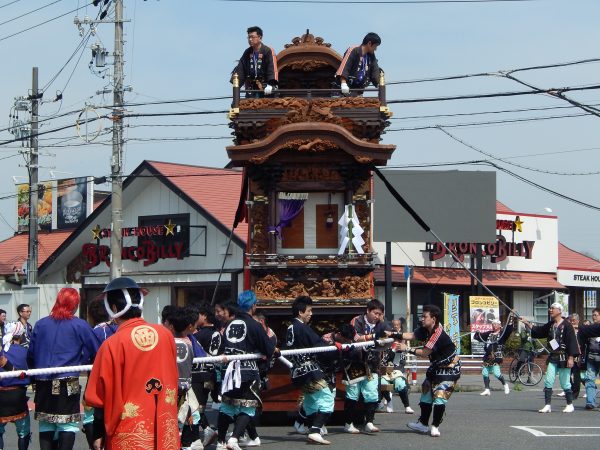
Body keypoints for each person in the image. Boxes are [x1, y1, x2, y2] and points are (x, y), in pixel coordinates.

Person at [84, 277, 180, 450]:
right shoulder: (166, 335)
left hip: (130, 432)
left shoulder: (112, 344)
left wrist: (98, 433)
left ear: (113, 308)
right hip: (164, 429)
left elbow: (99, 397)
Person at [28, 288, 100, 450]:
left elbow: (31, 355)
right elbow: (98, 351)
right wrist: (83, 361)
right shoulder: (80, 325)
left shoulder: (41, 324)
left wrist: (33, 380)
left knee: (47, 424)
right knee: (67, 424)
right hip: (68, 382)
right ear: (74, 305)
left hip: (43, 381)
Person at [215, 294, 275, 450]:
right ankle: (234, 439)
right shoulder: (253, 324)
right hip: (247, 370)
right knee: (248, 406)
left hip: (229, 371)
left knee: (227, 405)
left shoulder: (229, 324)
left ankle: (220, 441)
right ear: (253, 306)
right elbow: (268, 349)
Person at [397, 304, 461, 438]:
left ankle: (435, 426)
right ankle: (423, 424)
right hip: (436, 367)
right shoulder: (426, 329)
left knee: (439, 397)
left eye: (424, 317)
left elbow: (425, 352)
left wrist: (406, 348)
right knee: (426, 394)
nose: (421, 319)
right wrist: (393, 334)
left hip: (449, 368)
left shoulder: (437, 333)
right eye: (422, 316)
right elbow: (412, 335)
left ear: (434, 318)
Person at [285, 296, 335, 445]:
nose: (311, 314)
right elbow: (319, 345)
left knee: (310, 403)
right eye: (309, 311)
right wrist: (335, 347)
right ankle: (314, 430)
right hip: (309, 371)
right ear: (300, 312)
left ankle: (313, 430)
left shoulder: (290, 327)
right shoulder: (302, 328)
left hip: (296, 372)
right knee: (327, 400)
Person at [343, 299, 391, 434]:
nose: (377, 316)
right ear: (368, 311)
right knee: (353, 394)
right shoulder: (356, 321)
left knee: (372, 393)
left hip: (372, 363)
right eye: (375, 313)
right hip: (355, 362)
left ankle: (369, 422)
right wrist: (375, 336)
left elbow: (390, 335)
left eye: (380, 314)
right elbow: (356, 337)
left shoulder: (382, 324)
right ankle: (348, 423)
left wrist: (383, 325)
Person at [522, 302, 579, 413]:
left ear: (559, 310)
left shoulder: (567, 325)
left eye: (552, 308)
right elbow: (539, 330)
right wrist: (527, 323)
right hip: (553, 357)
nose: (550, 310)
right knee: (548, 380)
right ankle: (547, 405)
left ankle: (570, 404)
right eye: (550, 308)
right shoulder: (551, 324)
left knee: (565, 382)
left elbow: (572, 342)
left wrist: (571, 358)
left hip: (564, 357)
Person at [193, 303, 221, 447]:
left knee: (194, 406)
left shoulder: (195, 336)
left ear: (204, 316)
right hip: (210, 374)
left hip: (197, 374)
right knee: (199, 406)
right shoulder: (216, 333)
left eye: (198, 314)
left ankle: (204, 431)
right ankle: (207, 430)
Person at [0, 321, 31, 450]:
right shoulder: (25, 352)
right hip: (18, 396)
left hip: (1, 395)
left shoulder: (2, 351)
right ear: (20, 335)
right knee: (23, 431)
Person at [232, 26, 278, 97]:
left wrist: (271, 84)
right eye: (248, 37)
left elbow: (272, 68)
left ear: (260, 37)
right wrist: (236, 84)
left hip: (266, 88)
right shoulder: (247, 52)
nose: (250, 39)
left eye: (252, 37)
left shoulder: (268, 51)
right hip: (252, 89)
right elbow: (241, 68)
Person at [474, 314, 513, 396]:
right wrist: (477, 332)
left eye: (496, 324)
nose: (494, 326)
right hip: (488, 356)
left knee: (496, 373)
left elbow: (509, 329)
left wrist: (511, 317)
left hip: (496, 356)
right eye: (493, 324)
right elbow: (479, 336)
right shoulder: (489, 333)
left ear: (499, 325)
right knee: (484, 372)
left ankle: (505, 385)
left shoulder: (503, 334)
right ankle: (487, 389)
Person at [379, 340, 414, 414]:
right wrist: (392, 350)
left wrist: (399, 350)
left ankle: (407, 406)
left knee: (400, 384)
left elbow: (401, 363)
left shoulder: (402, 350)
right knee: (383, 383)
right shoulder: (385, 348)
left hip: (397, 371)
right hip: (385, 370)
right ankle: (389, 401)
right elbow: (383, 362)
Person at [579, 308, 600, 410]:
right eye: (593, 315)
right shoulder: (590, 329)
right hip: (591, 356)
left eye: (596, 315)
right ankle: (590, 402)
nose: (593, 317)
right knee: (589, 379)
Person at [567, 313, 586, 399]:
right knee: (567, 374)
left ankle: (575, 392)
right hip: (568, 354)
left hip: (578, 355)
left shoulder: (582, 330)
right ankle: (571, 389)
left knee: (576, 374)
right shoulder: (568, 330)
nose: (572, 322)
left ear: (578, 321)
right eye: (571, 321)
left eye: (574, 320)